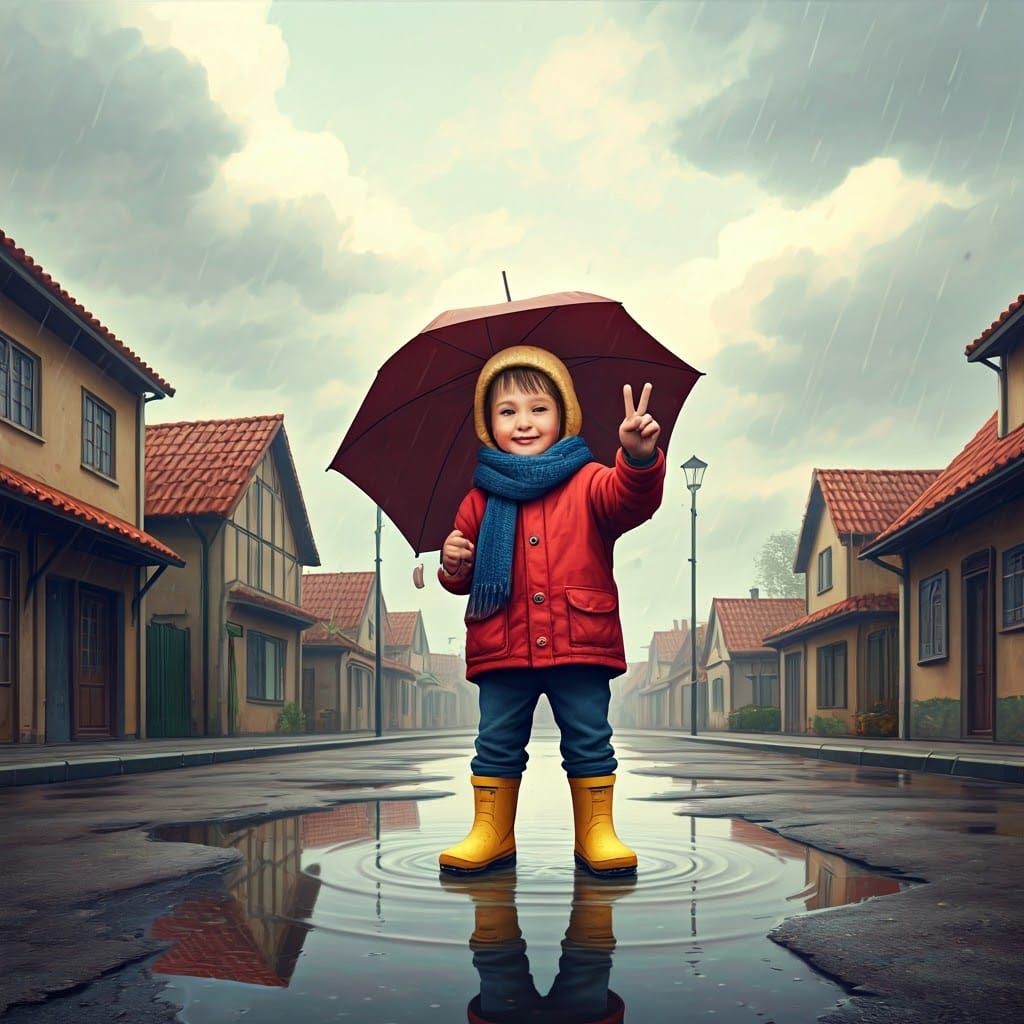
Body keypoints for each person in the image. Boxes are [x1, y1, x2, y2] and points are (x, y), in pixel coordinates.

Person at [436, 345, 665, 876]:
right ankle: (491, 832)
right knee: (495, 742)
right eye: (507, 410)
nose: (523, 422)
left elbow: (632, 501)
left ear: (564, 415)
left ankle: (596, 832)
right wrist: (453, 563)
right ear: (487, 423)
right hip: (504, 646)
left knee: (589, 738)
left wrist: (635, 458)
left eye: (538, 408)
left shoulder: (589, 481)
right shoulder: (477, 499)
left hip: (580, 641)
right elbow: (461, 579)